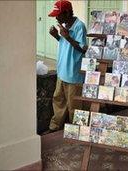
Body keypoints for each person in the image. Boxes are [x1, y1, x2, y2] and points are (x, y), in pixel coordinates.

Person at [44, 0, 88, 134]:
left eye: (59, 15)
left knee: (74, 105)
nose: (57, 18)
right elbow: (66, 45)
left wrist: (67, 36)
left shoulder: (79, 26)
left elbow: (83, 49)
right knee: (58, 101)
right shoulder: (64, 25)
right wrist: (57, 36)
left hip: (73, 74)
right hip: (62, 71)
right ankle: (55, 126)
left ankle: (76, 132)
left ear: (67, 12)